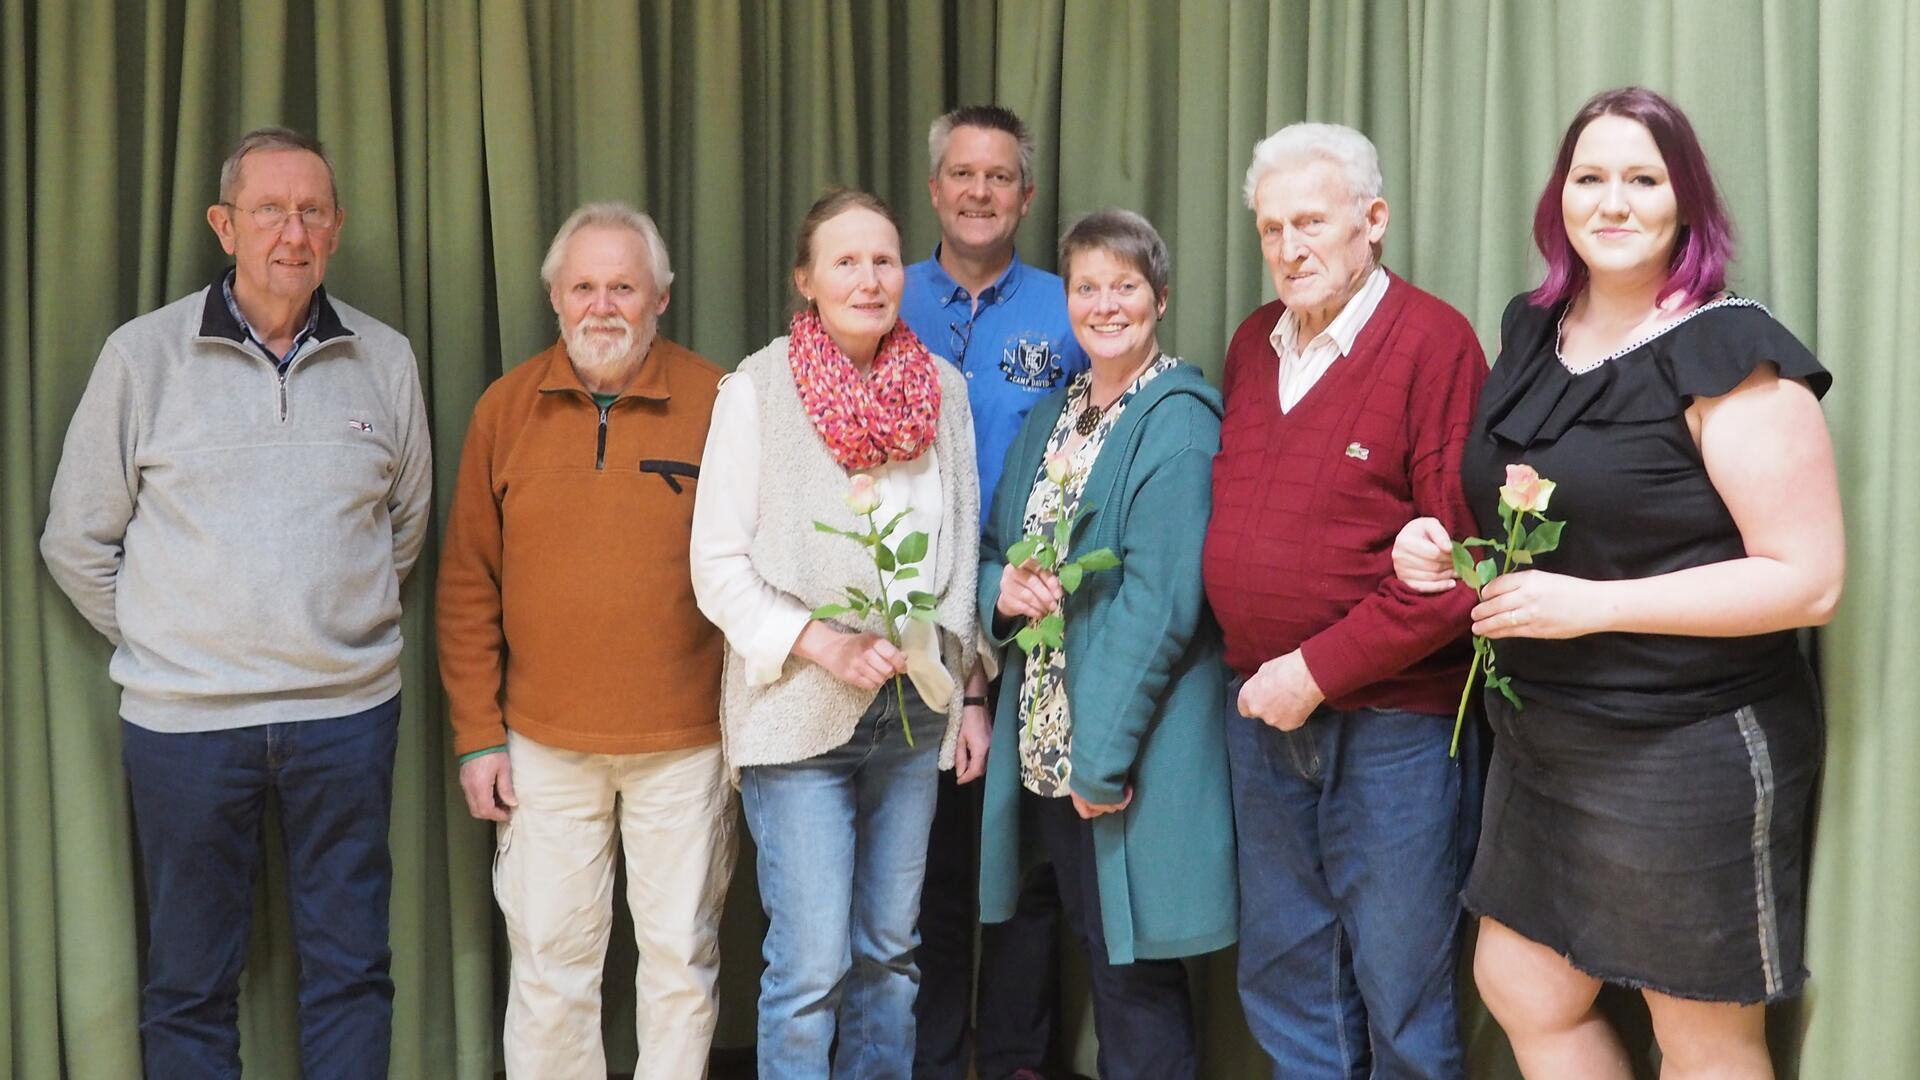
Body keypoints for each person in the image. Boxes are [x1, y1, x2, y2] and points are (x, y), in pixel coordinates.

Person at [1390, 86, 1842, 1079]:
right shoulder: (1530, 329)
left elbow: (1809, 582)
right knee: (1522, 985)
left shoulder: (1729, 349)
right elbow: (1540, 511)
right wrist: (1441, 547)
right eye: (1591, 178)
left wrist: (1594, 608)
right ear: (1559, 201)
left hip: (1683, 743)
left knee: (1701, 1034)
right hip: (1546, 737)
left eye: (1644, 178)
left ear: (1687, 201)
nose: (1615, 201)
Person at [39, 126, 430, 1078]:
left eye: (310, 212)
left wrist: (331, 629)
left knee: (352, 972)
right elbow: (76, 540)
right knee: (188, 985)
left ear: (335, 229)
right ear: (225, 225)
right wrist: (178, 642)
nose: (290, 232)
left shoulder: (386, 359)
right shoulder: (142, 358)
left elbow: (405, 525)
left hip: (344, 718)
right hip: (185, 728)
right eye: (268, 210)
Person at [1202, 122, 1487, 1078]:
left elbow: (1464, 566)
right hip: (1259, 715)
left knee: (1402, 982)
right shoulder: (1253, 343)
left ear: (1374, 221)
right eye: (1271, 228)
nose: (1290, 247)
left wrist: (1315, 671)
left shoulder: (1436, 343)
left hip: (1392, 726)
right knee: (1287, 977)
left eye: (1311, 222)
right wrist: (1276, 678)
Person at [689, 187, 992, 1078]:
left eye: (885, 260)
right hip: (796, 715)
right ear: (806, 279)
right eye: (847, 261)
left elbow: (962, 544)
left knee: (890, 957)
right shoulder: (757, 389)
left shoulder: (942, 389)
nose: (869, 278)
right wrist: (821, 643)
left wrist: (967, 687)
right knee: (812, 965)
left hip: (913, 712)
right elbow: (716, 564)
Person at [436, 203, 734, 1079]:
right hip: (541, 746)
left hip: (687, 746)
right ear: (555, 299)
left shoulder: (722, 403)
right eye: (584, 287)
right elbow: (465, 586)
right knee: (550, 968)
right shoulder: (505, 410)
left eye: (624, 287)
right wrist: (479, 735)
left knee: (680, 964)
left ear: (661, 299)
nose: (603, 305)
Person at [977, 209, 1235, 1080]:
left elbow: (1162, 607)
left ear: (1159, 297)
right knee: (1081, 941)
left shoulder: (1180, 421)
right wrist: (999, 593)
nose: (1105, 303)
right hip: (1043, 741)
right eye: (1087, 286)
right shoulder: (1052, 417)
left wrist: (1101, 759)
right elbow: (990, 557)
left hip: (1126, 752)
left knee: (1132, 976)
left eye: (1124, 285)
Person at [900, 103, 1088, 1080]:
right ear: (934, 189)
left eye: (999, 176)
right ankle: (930, 1061)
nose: (979, 191)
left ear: (1024, 195)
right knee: (922, 863)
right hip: (909, 619)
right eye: (962, 174)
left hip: (1035, 617)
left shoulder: (1071, 307)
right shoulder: (884, 294)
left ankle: (1017, 1059)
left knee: (1028, 863)